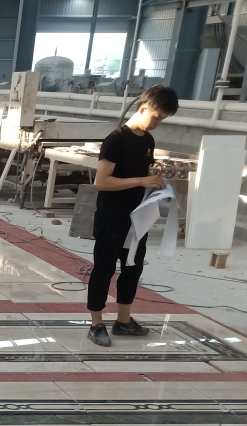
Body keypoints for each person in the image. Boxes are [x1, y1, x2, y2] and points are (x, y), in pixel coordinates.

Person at [87, 84, 180, 347]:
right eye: (157, 117)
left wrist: (154, 179)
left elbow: (139, 174)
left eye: (163, 119)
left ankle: (123, 320)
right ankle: (96, 323)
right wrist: (141, 180)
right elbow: (102, 182)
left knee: (132, 268)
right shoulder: (116, 140)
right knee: (104, 268)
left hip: (138, 217)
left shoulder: (147, 141)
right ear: (143, 108)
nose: (158, 124)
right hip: (112, 218)